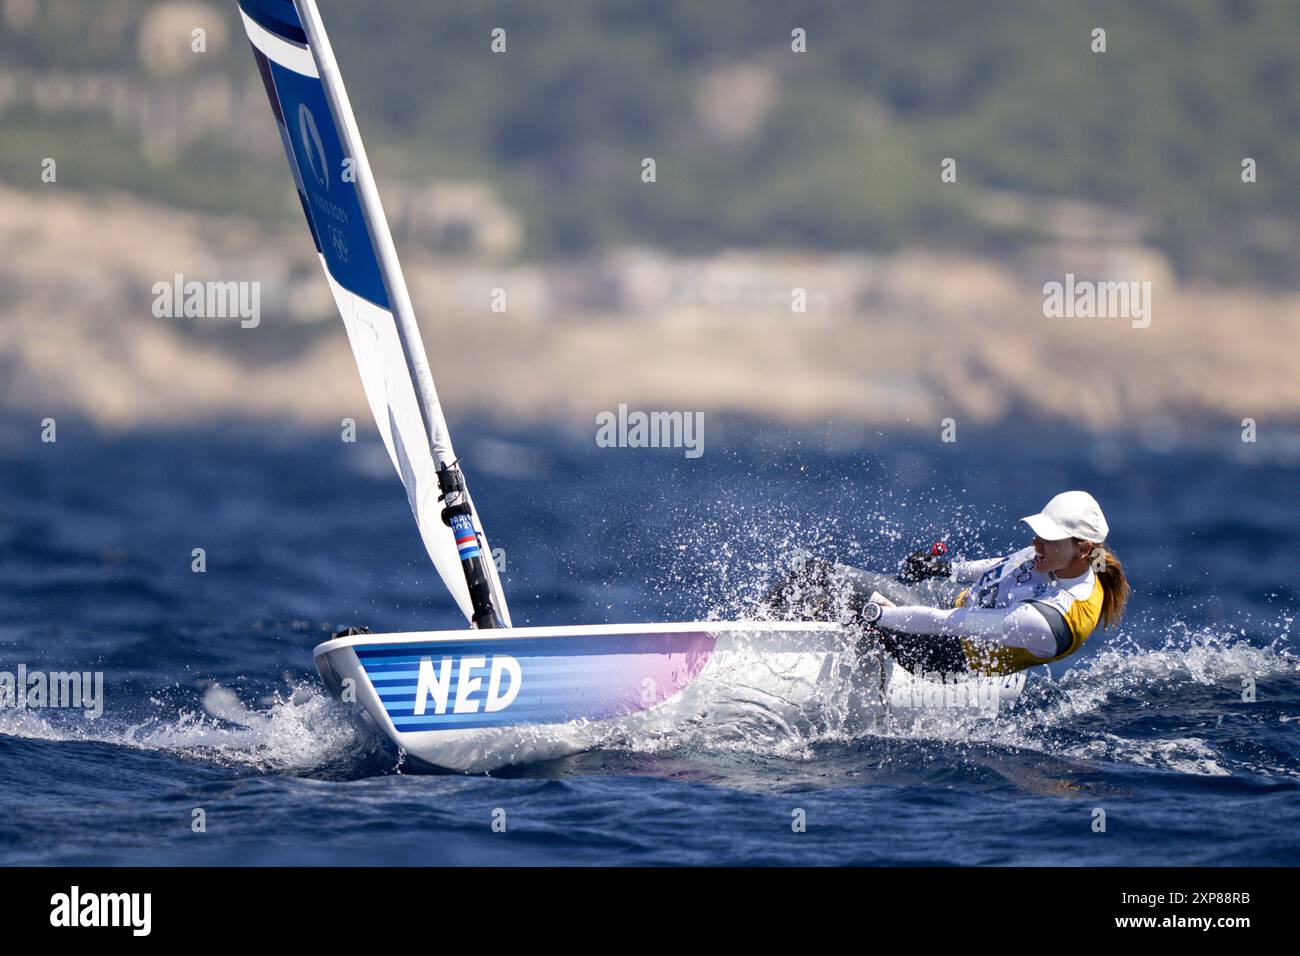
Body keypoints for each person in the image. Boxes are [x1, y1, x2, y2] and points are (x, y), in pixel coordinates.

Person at [764, 491, 1131, 677]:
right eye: (1037, 533)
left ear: (1080, 549)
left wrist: (882, 617)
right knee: (838, 591)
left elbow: (947, 624)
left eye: (1047, 538)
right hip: (952, 604)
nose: (1036, 543)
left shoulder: (1048, 621)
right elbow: (1005, 564)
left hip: (943, 650)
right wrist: (946, 570)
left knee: (817, 576)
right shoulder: (1073, 555)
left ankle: (754, 644)